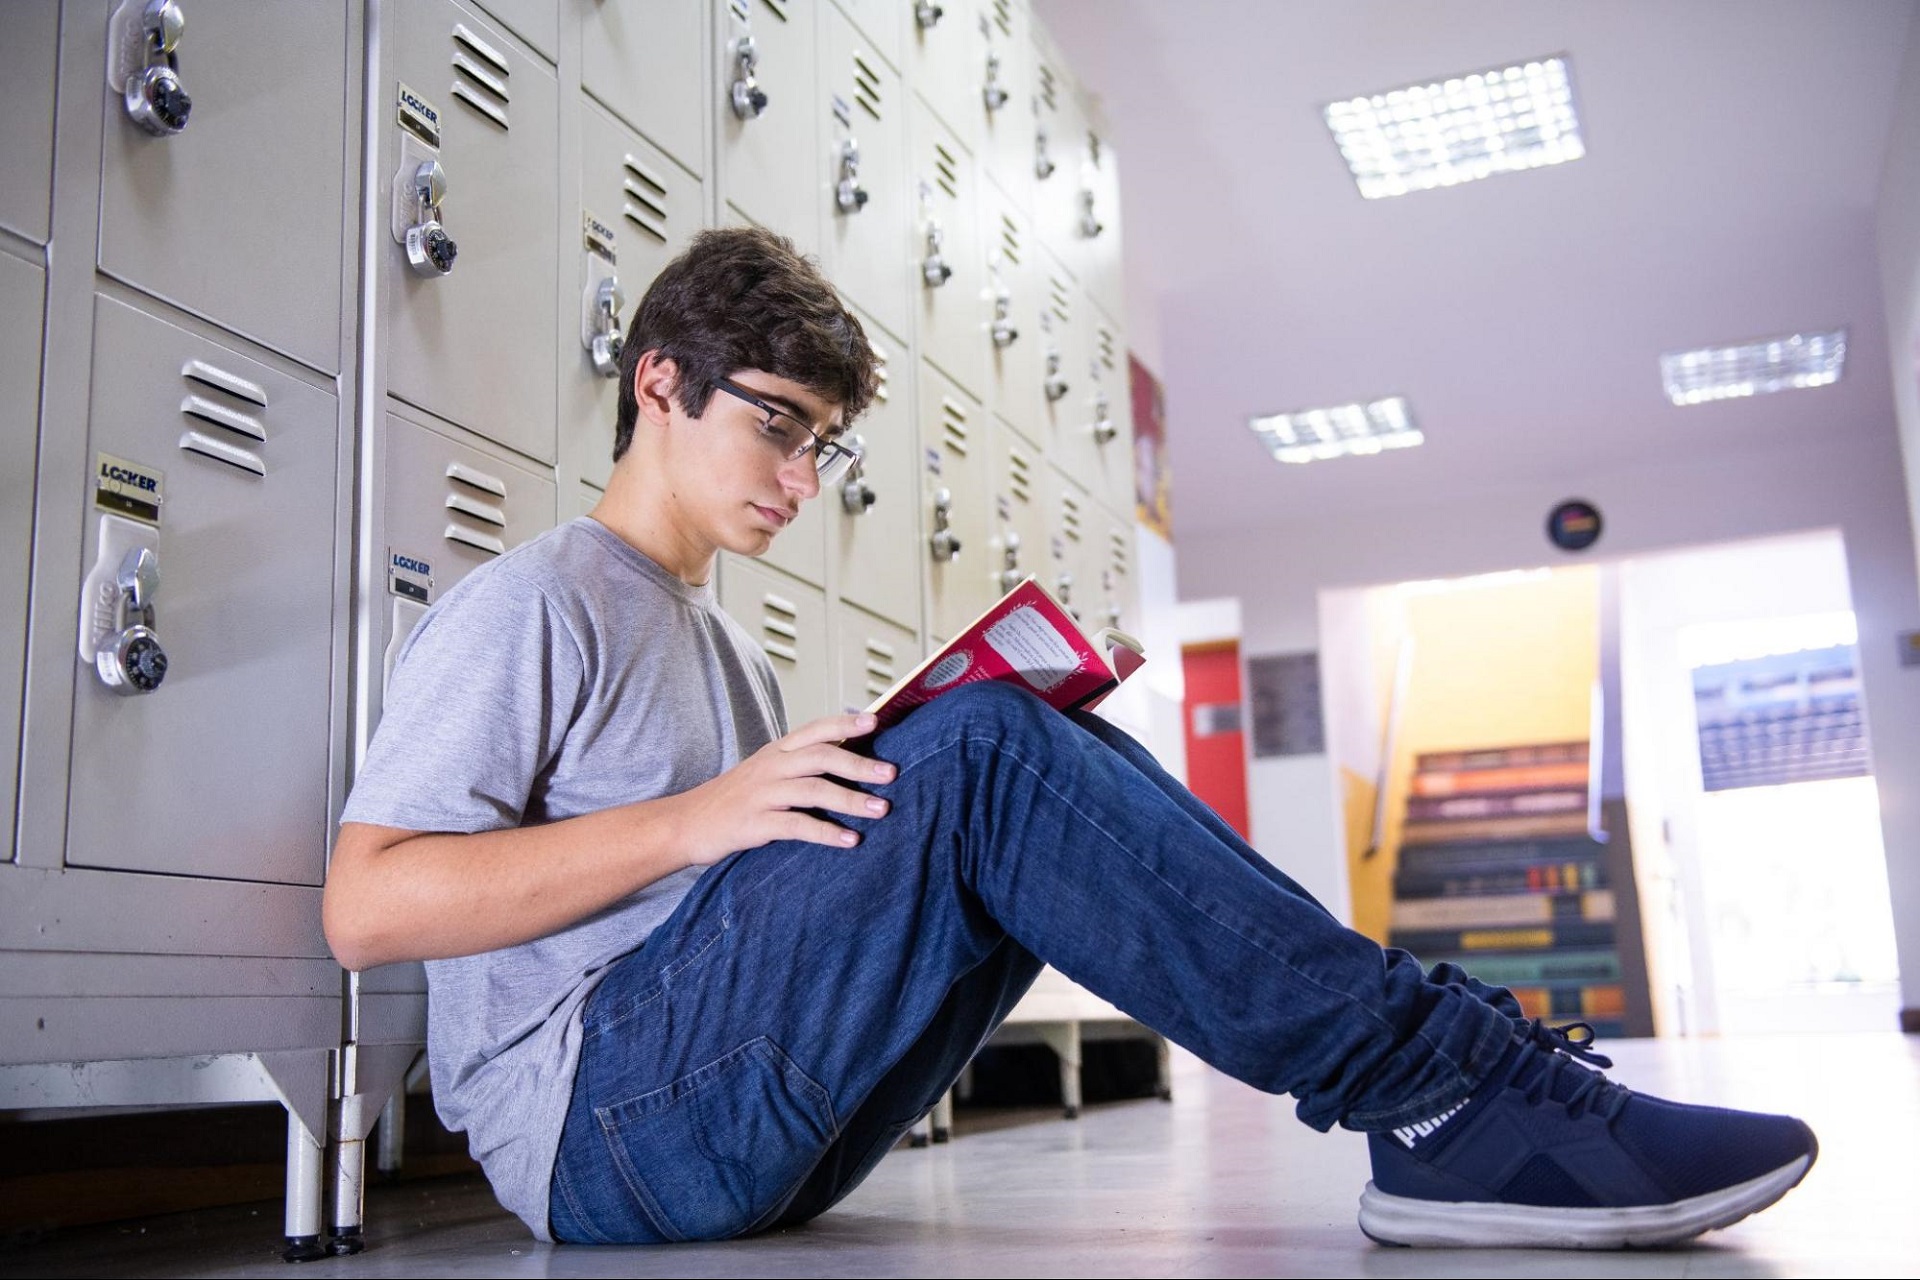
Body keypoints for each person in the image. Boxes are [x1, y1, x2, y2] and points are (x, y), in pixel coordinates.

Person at [323, 227, 1817, 1250]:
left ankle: (1456, 1081)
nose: (800, 476)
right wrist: (709, 817)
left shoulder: (711, 641)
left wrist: (991, 766)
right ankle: (1439, 1095)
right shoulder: (534, 604)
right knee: (974, 751)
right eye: (778, 426)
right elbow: (368, 903)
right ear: (659, 381)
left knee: (1010, 738)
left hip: (724, 1123)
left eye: (822, 447)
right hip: (599, 1140)